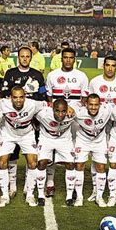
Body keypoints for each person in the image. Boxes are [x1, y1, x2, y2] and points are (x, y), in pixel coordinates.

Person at [0, 46, 47, 198]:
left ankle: (28, 186)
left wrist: (33, 114)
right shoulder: (11, 73)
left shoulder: (37, 75)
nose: (25, 58)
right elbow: (5, 94)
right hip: (14, 120)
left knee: (31, 154)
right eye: (22, 56)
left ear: (31, 58)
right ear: (18, 57)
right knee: (12, 155)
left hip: (32, 119)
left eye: (27, 56)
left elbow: (42, 95)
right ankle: (12, 186)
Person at [45, 47, 88, 197]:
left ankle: (75, 186)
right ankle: (50, 182)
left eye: (71, 57)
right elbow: (49, 99)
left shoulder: (82, 76)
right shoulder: (52, 75)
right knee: (52, 150)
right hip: (57, 119)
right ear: (61, 59)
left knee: (74, 151)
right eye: (66, 57)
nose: (68, 60)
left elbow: (84, 100)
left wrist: (73, 109)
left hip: (75, 121)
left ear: (74, 59)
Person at [0, 86, 47, 207]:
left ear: (25, 96)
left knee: (33, 163)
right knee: (2, 162)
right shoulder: (3, 103)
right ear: (10, 98)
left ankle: (29, 195)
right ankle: (4, 196)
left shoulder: (33, 104)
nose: (18, 100)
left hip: (26, 135)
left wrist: (69, 107)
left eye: (21, 97)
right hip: (8, 135)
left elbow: (48, 104)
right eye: (15, 97)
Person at [87, 55, 116, 202]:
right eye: (108, 65)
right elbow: (88, 101)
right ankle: (95, 190)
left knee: (113, 159)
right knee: (97, 157)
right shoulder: (95, 82)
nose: (110, 68)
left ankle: (112, 192)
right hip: (98, 125)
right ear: (103, 66)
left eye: (113, 65)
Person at [71, 94, 112, 207]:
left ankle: (99, 197)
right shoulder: (79, 113)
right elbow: (66, 107)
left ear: (100, 104)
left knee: (101, 168)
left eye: (96, 105)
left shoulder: (107, 110)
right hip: (82, 141)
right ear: (86, 104)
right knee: (79, 165)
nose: (93, 108)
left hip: (99, 142)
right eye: (91, 105)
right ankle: (79, 197)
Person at [35, 98, 76, 206]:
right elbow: (32, 112)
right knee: (41, 163)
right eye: (57, 111)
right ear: (52, 109)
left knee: (71, 164)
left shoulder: (73, 113)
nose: (60, 114)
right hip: (46, 139)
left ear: (67, 110)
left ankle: (69, 197)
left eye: (63, 111)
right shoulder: (43, 114)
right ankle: (40, 196)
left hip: (64, 140)